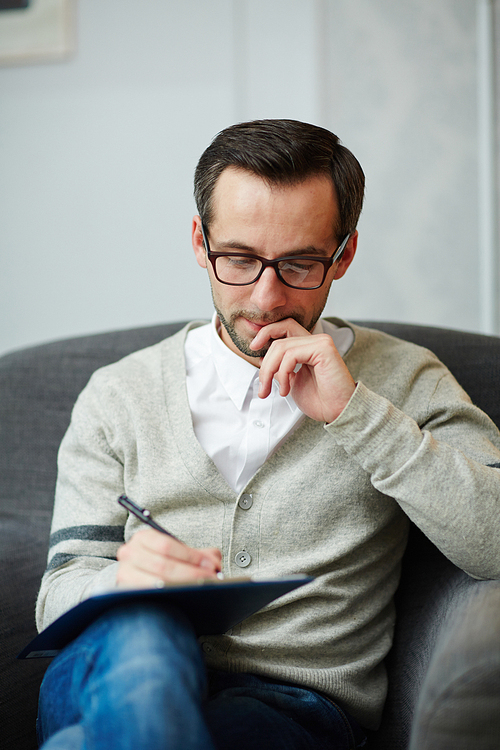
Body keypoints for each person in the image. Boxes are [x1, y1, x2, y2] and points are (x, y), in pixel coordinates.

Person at [36, 119, 500, 750]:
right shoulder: (119, 394)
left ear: (345, 253)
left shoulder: (407, 378)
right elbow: (56, 596)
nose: (266, 295)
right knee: (146, 632)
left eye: (301, 263)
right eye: (239, 258)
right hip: (110, 669)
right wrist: (120, 583)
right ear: (200, 242)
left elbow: (494, 542)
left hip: (295, 708)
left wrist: (354, 413)